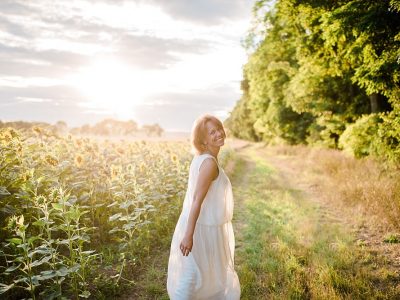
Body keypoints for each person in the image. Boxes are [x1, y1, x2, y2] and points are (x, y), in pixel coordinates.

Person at [167, 114, 241, 299]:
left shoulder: (204, 158)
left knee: (200, 276)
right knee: (191, 276)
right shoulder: (208, 163)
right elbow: (196, 200)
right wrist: (189, 235)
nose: (219, 134)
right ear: (203, 140)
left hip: (199, 225)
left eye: (219, 129)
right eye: (212, 132)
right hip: (199, 229)